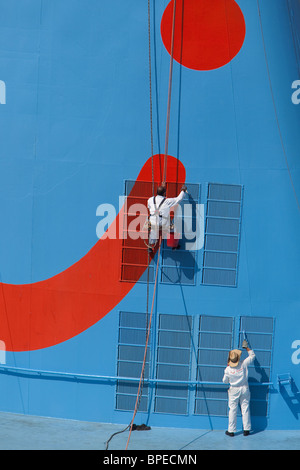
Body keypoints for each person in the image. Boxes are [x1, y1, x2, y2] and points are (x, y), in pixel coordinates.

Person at [222, 341, 255, 437]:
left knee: (232, 409)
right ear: (238, 358)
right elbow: (252, 356)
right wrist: (247, 348)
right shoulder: (243, 364)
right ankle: (246, 429)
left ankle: (231, 431)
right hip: (244, 388)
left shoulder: (228, 369)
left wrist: (228, 370)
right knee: (245, 408)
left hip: (234, 389)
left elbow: (225, 381)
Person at [147, 183, 187, 251]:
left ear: (156, 192)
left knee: (153, 231)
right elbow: (178, 199)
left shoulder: (150, 200)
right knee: (173, 229)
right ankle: (174, 245)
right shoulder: (167, 201)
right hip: (163, 223)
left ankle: (150, 246)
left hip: (153, 222)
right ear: (164, 193)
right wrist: (183, 190)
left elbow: (149, 207)